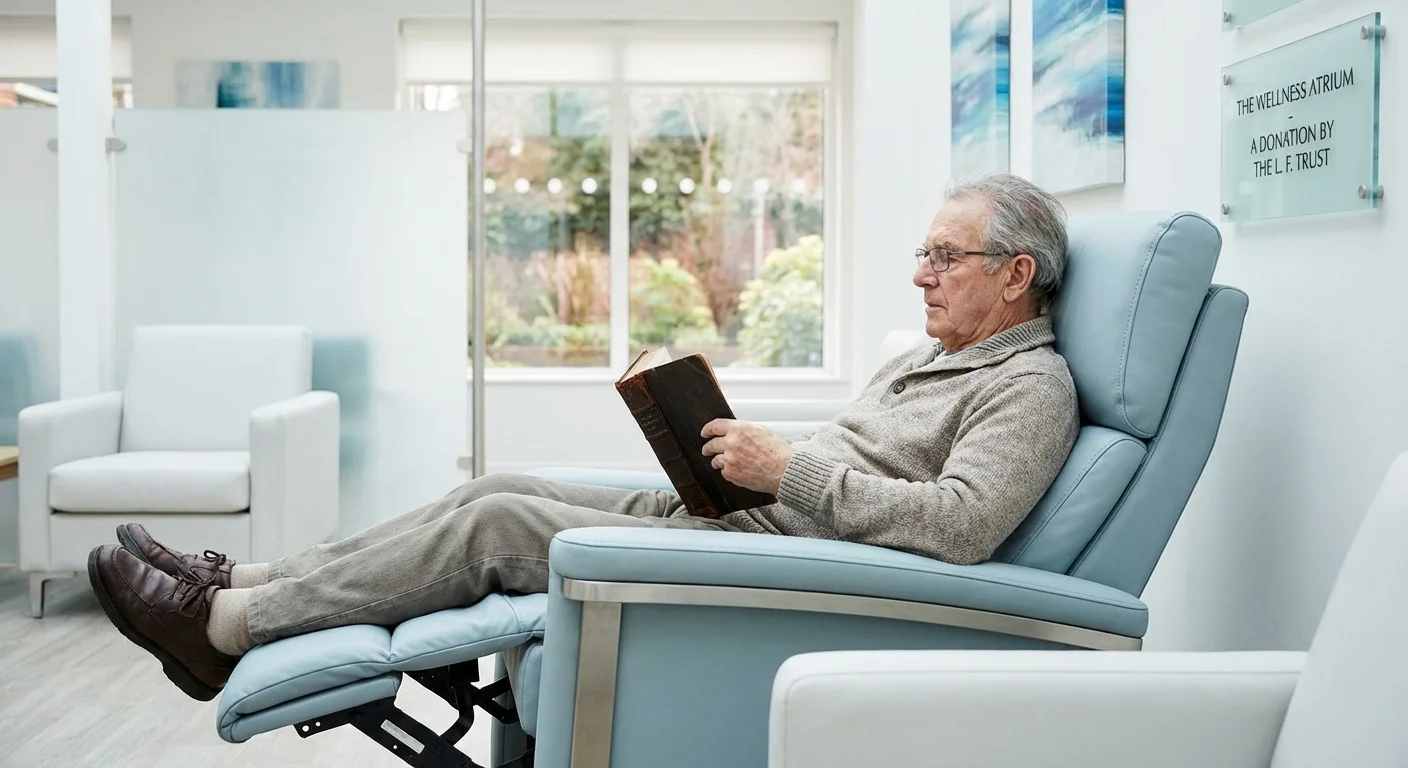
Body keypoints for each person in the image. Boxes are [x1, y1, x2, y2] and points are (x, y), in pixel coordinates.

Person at [88, 172, 1081, 702]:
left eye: (945, 256)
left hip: (791, 565)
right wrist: (745, 459)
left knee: (500, 528)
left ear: (1016, 274)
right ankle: (252, 581)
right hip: (752, 522)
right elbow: (856, 467)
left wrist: (791, 468)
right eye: (924, 252)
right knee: (500, 484)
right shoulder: (931, 356)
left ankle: (224, 635)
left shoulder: (1030, 386)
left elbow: (959, 531)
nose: (922, 274)